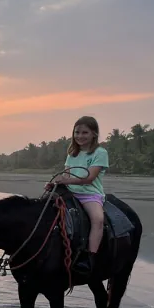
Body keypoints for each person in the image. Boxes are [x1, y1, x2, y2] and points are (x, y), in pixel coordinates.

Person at [45, 115, 109, 275]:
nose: (80, 136)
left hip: (89, 195)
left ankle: (90, 257)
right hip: (69, 193)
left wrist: (66, 181)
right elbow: (66, 176)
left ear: (94, 134)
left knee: (98, 220)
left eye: (85, 133)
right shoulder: (72, 153)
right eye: (77, 132)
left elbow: (89, 178)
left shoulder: (100, 153)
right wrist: (56, 183)